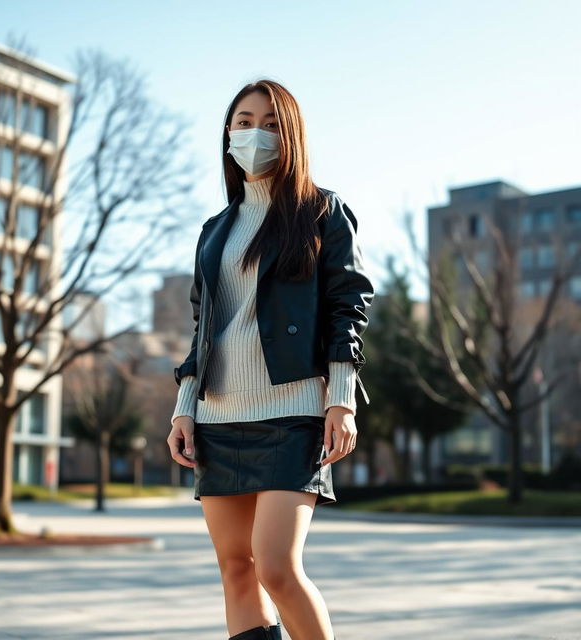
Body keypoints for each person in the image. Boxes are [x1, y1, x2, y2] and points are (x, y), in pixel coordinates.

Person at [167, 79, 374, 640]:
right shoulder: (215, 230)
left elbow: (346, 308)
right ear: (227, 134)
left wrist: (342, 401)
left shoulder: (322, 212)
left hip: (293, 412)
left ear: (291, 136)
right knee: (237, 571)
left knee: (277, 567)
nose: (254, 134)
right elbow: (202, 327)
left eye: (269, 123)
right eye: (242, 122)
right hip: (217, 416)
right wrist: (183, 409)